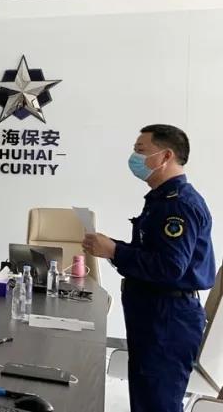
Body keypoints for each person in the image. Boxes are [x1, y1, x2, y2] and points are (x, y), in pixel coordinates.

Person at [83, 124, 215, 412]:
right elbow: (153, 253)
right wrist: (113, 247)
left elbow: (170, 267)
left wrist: (115, 251)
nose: (135, 158)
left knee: (158, 403)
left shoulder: (178, 205)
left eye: (141, 151)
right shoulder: (161, 200)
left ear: (165, 156)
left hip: (168, 318)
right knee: (146, 399)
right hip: (154, 313)